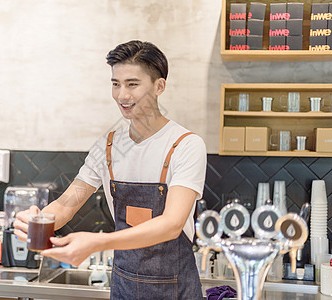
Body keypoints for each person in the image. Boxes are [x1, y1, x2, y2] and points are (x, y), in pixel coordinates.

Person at [14, 40, 207, 299]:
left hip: (175, 289)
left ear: (159, 86)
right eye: (115, 84)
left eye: (132, 84)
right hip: (123, 288)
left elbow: (171, 225)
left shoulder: (186, 145)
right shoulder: (108, 145)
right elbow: (68, 204)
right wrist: (39, 220)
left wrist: (98, 242)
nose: (122, 96)